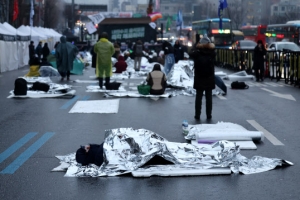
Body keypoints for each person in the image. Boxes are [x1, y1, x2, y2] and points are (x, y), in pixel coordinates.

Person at [189, 34, 215, 120]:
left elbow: (190, 53)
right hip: (209, 77)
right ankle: (209, 115)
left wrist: (196, 45)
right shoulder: (212, 53)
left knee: (198, 97)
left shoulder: (197, 53)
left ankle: (197, 115)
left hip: (199, 77)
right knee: (209, 98)